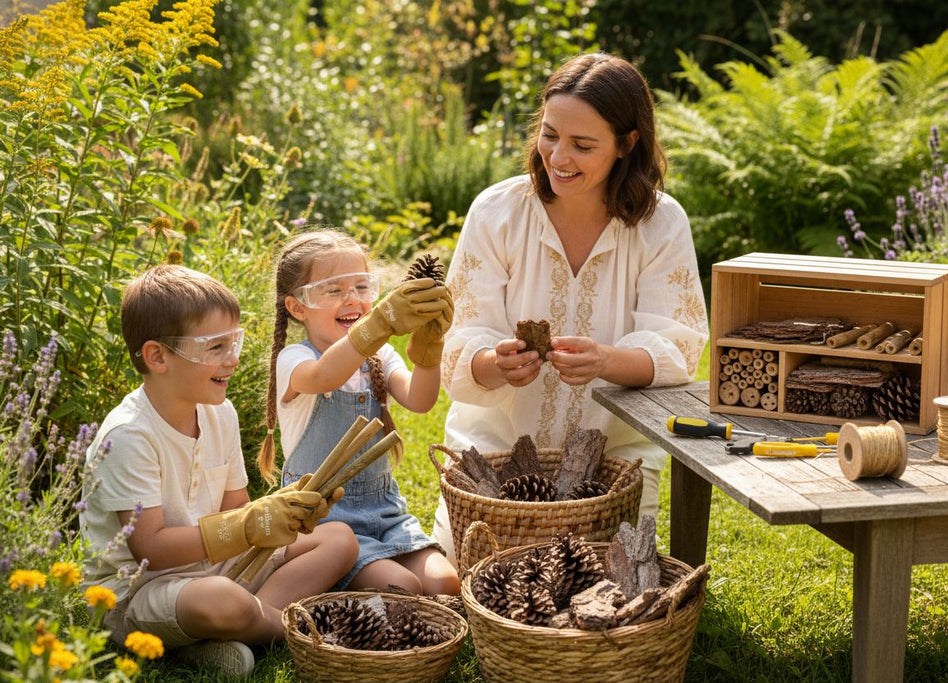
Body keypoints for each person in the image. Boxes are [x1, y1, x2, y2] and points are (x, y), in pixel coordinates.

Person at [433, 52, 709, 559]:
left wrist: (605, 361)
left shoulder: (661, 223)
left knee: (604, 590)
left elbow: (678, 347)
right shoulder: (497, 212)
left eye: (583, 145)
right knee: (468, 579)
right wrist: (494, 364)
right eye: (550, 134)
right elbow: (457, 336)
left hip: (614, 462)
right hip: (491, 460)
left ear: (627, 144)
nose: (558, 157)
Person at [81, 265, 357, 678]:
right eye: (215, 347)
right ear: (158, 356)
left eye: (235, 342)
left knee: (339, 539)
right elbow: (150, 549)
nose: (233, 359)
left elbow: (238, 509)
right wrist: (248, 526)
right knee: (221, 600)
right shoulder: (129, 435)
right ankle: (301, 631)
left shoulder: (219, 412)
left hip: (217, 569)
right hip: (140, 592)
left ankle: (231, 632)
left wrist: (281, 512)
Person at [259, 229, 461, 596]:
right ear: (297, 307)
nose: (352, 299)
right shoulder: (295, 360)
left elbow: (420, 400)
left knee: (445, 582)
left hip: (385, 512)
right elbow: (325, 375)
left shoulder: (379, 357)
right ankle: (331, 586)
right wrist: (379, 323)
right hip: (323, 521)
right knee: (402, 587)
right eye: (334, 290)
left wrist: (429, 350)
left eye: (362, 288)